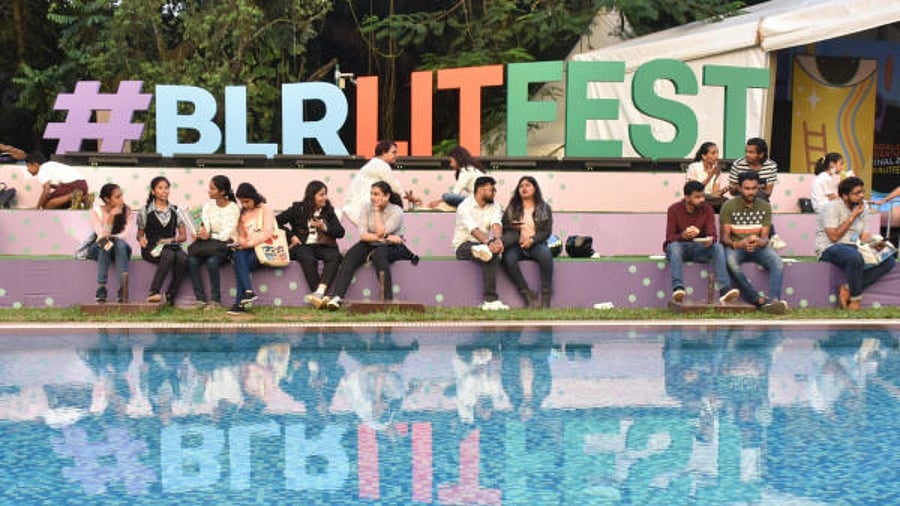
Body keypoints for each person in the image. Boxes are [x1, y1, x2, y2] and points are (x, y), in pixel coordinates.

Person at [309, 181, 417, 310]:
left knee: (379, 254)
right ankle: (337, 298)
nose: (373, 197)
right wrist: (387, 237)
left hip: (390, 247)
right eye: (371, 194)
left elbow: (381, 231)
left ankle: (387, 300)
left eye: (377, 194)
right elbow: (363, 235)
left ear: (387, 196)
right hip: (373, 242)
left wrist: (377, 211)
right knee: (350, 256)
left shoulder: (396, 211)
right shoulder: (366, 207)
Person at [816, 177, 896, 310]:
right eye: (857, 193)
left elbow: (864, 236)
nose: (862, 196)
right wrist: (852, 216)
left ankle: (847, 288)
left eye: (862, 192)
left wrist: (876, 244)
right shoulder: (831, 207)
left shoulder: (863, 207)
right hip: (830, 247)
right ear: (845, 196)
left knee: (889, 259)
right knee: (854, 257)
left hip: (855, 246)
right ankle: (855, 299)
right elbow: (834, 237)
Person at [720, 171, 788, 313]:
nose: (750, 192)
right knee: (731, 263)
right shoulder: (728, 205)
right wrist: (739, 244)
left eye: (754, 188)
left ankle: (774, 301)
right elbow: (724, 238)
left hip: (758, 247)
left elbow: (765, 238)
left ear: (758, 188)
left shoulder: (764, 206)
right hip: (736, 246)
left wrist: (758, 242)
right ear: (739, 188)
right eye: (747, 188)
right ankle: (757, 299)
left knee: (777, 262)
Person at [664, 180, 740, 304]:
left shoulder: (707, 209)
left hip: (699, 248)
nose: (701, 200)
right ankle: (678, 288)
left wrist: (710, 239)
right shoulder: (674, 209)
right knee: (675, 247)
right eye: (697, 197)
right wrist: (683, 235)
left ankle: (725, 290)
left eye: (703, 196)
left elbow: (713, 234)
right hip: (679, 248)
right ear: (687, 197)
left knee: (717, 247)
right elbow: (669, 238)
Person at [276, 180, 345, 305]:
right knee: (308, 258)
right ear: (312, 195)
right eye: (321, 194)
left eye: (325, 194)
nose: (325, 198)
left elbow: (340, 232)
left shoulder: (328, 210)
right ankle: (318, 295)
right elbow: (276, 222)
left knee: (335, 256)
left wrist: (324, 227)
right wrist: (291, 236)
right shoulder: (298, 208)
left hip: (323, 245)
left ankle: (319, 292)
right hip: (302, 245)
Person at [453, 176, 508, 310]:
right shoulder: (464, 206)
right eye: (492, 189)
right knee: (487, 250)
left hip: (483, 244)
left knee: (489, 252)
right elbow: (473, 230)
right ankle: (490, 300)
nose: (495, 192)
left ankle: (490, 302)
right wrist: (489, 242)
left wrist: (498, 240)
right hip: (463, 246)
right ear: (481, 189)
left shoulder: (494, 205)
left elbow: (496, 223)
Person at [500, 176, 554, 308]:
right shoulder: (512, 207)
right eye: (521, 186)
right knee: (508, 258)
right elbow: (504, 227)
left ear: (535, 188)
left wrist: (532, 240)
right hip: (516, 245)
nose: (524, 188)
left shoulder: (543, 207)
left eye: (528, 185)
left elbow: (546, 231)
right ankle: (527, 295)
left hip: (536, 244)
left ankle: (546, 298)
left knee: (546, 255)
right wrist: (514, 230)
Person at [188, 175, 241, 310]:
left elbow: (227, 234)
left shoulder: (233, 208)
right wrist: (202, 233)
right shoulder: (208, 206)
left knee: (212, 262)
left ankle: (215, 300)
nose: (209, 191)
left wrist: (210, 235)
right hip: (209, 244)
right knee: (192, 260)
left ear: (222, 192)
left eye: (212, 189)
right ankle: (200, 299)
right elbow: (206, 226)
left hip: (225, 246)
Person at [137, 176, 189, 305]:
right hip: (152, 248)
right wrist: (141, 239)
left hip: (171, 246)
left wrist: (170, 240)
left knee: (183, 258)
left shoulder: (176, 211)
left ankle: (171, 294)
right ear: (153, 191)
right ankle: (154, 292)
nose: (164, 191)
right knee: (169, 255)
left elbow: (183, 236)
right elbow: (140, 235)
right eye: (160, 188)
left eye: (166, 188)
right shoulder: (145, 211)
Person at [728, 138, 787, 250]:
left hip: (760, 200)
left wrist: (753, 189)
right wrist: (744, 188)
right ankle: (773, 235)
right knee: (756, 192)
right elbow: (732, 191)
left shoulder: (771, 166)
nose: (747, 155)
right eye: (746, 151)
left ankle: (768, 237)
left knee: (758, 193)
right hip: (740, 198)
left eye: (751, 152)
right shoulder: (738, 164)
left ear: (761, 154)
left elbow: (768, 193)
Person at [227, 183, 277, 315]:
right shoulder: (243, 213)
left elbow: (267, 232)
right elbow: (242, 235)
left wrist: (248, 244)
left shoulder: (265, 209)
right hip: (247, 251)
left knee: (239, 262)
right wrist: (241, 243)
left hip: (263, 250)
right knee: (239, 255)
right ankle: (248, 293)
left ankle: (240, 303)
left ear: (254, 197)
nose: (244, 205)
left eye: (247, 201)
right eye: (241, 202)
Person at [342, 140, 419, 225]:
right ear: (383, 152)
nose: (396, 155)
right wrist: (409, 197)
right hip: (362, 204)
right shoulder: (380, 164)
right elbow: (393, 185)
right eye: (394, 152)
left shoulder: (375, 163)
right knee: (394, 196)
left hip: (361, 204)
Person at [89, 183, 133, 303]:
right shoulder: (96, 211)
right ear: (107, 199)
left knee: (117, 243)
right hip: (99, 247)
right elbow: (101, 235)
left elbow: (125, 234)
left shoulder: (127, 211)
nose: (121, 200)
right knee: (105, 244)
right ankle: (101, 287)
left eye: (121, 196)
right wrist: (111, 217)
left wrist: (113, 238)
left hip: (121, 248)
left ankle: (122, 289)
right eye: (117, 197)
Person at [427, 146, 486, 210]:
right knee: (448, 197)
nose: (451, 164)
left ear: (458, 159)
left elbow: (455, 193)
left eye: (451, 161)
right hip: (480, 200)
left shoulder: (466, 171)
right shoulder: (473, 169)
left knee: (447, 196)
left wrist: (437, 202)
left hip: (477, 201)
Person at [25, 151, 90, 209]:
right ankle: (84, 198)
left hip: (73, 186)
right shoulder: (51, 165)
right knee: (58, 203)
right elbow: (58, 186)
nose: (27, 170)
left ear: (35, 165)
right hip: (83, 185)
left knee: (46, 205)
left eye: (28, 166)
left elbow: (46, 190)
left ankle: (73, 196)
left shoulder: (42, 169)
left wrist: (37, 208)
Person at [685, 142, 728, 212]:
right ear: (704, 156)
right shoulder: (694, 167)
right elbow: (695, 190)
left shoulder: (717, 170)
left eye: (717, 153)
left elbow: (715, 194)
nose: (717, 156)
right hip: (697, 197)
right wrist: (711, 175)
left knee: (726, 203)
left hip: (710, 199)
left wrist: (724, 190)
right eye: (713, 153)